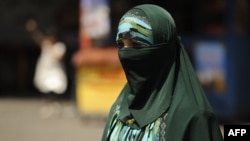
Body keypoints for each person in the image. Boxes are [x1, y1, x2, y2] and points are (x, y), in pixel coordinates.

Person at [101, 4, 224, 141]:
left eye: (137, 45)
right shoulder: (120, 108)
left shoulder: (193, 117)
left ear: (164, 49)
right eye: (121, 45)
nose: (126, 54)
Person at [26, 19, 68, 118]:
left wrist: (50, 48)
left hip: (55, 71)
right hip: (45, 70)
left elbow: (58, 57)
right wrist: (33, 29)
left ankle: (56, 105)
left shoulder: (59, 46)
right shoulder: (45, 44)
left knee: (55, 88)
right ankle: (47, 105)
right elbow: (38, 38)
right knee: (45, 88)